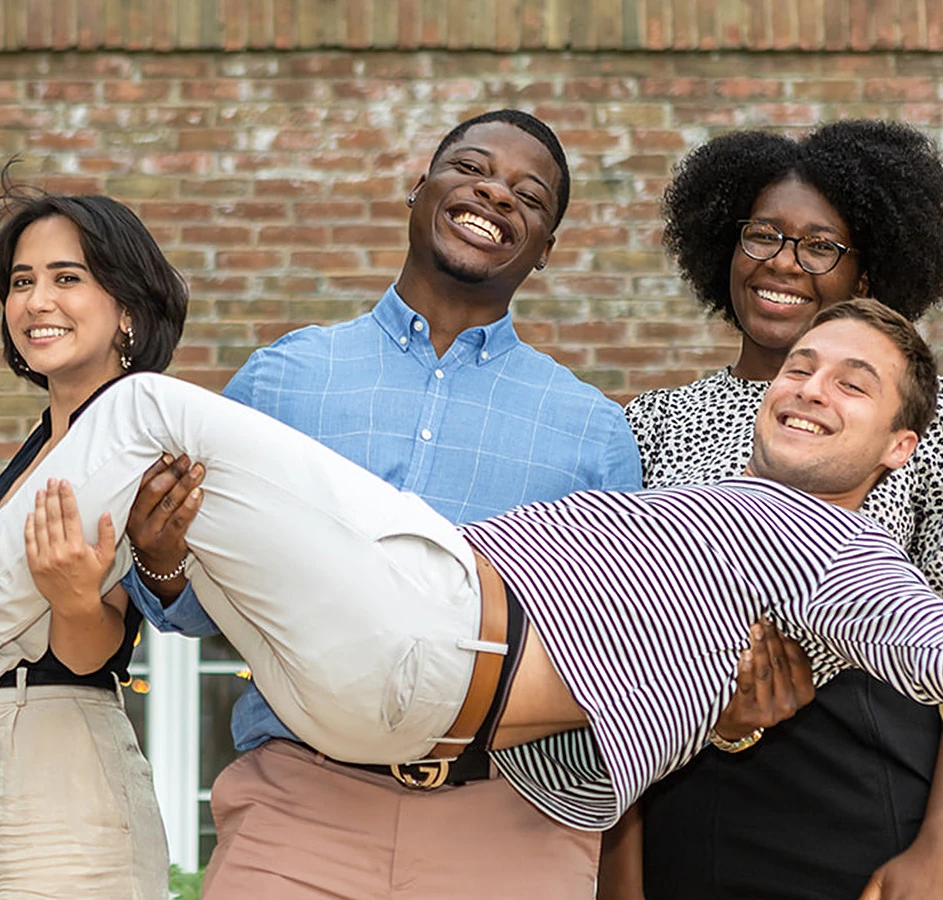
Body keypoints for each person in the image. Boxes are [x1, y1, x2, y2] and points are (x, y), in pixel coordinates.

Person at [0, 301, 943, 862]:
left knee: (147, 410)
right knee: (156, 470)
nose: (806, 385)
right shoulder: (710, 504)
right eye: (799, 364)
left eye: (849, 383)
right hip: (371, 699)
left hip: (439, 637)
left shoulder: (832, 544)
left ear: (902, 445)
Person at [114, 108, 711, 900]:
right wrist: (161, 561)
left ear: (545, 252)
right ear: (418, 189)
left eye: (528, 195)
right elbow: (196, 611)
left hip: (510, 821)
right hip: (302, 803)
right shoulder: (284, 379)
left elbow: (615, 659)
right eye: (470, 169)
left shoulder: (592, 434)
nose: (495, 194)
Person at [610, 120, 943, 900]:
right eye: (764, 235)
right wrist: (623, 869)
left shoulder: (936, 425)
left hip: (866, 811)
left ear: (867, 271)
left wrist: (942, 848)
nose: (784, 262)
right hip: (681, 802)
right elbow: (613, 663)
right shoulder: (650, 426)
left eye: (820, 246)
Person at [0, 189, 180, 900]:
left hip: (55, 773)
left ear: (128, 311)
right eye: (22, 282)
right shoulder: (40, 450)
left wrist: (76, 598)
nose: (36, 300)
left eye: (67, 278)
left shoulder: (134, 440)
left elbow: (90, 657)